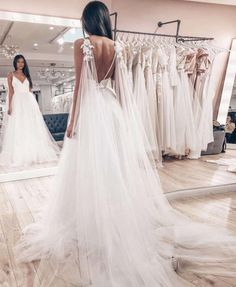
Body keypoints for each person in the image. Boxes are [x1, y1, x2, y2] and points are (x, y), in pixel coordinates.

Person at [15, 2, 236, 286]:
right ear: (105, 20)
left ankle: (88, 223)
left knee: (86, 167)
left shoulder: (83, 44)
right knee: (111, 168)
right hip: (111, 110)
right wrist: (123, 120)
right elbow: (121, 89)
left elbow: (81, 86)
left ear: (87, 20)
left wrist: (72, 123)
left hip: (92, 110)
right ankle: (112, 218)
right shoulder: (116, 46)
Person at [0, 54, 59, 166]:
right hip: (17, 102)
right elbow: (11, 92)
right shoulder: (10, 75)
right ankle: (20, 154)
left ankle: (33, 152)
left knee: (31, 126)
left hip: (29, 102)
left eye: (22, 62)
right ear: (15, 63)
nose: (20, 64)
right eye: (18, 62)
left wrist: (35, 108)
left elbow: (30, 91)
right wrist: (9, 106)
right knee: (19, 126)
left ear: (24, 63)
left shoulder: (27, 75)